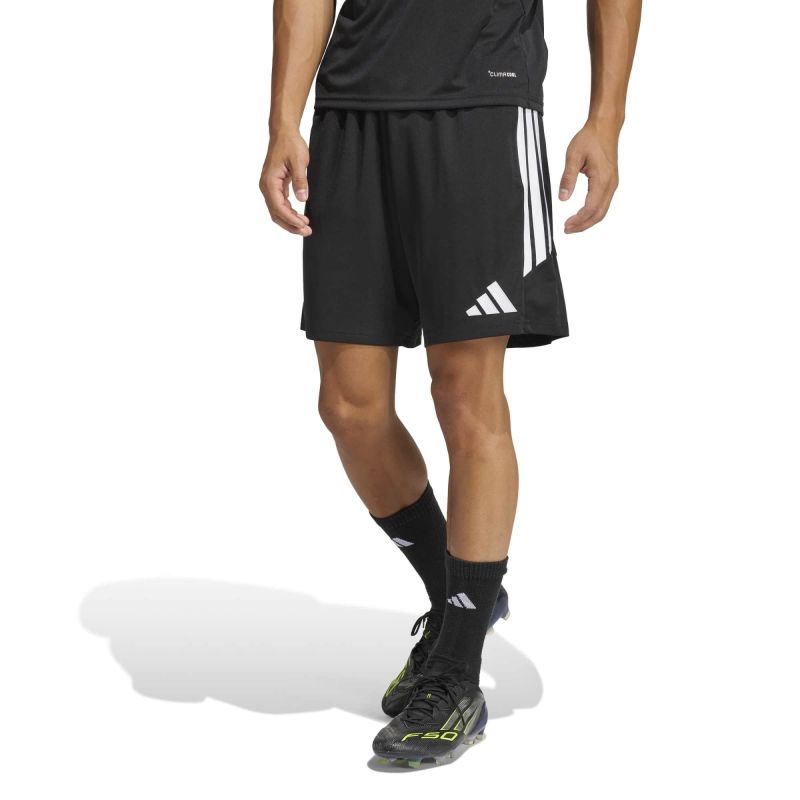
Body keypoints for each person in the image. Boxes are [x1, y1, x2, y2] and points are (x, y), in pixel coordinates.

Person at [260, 0, 641, 767]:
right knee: (350, 406)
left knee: (463, 394)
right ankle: (462, 595)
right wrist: (283, 121)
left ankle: (457, 673)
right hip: (354, 108)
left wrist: (606, 120)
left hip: (482, 108)